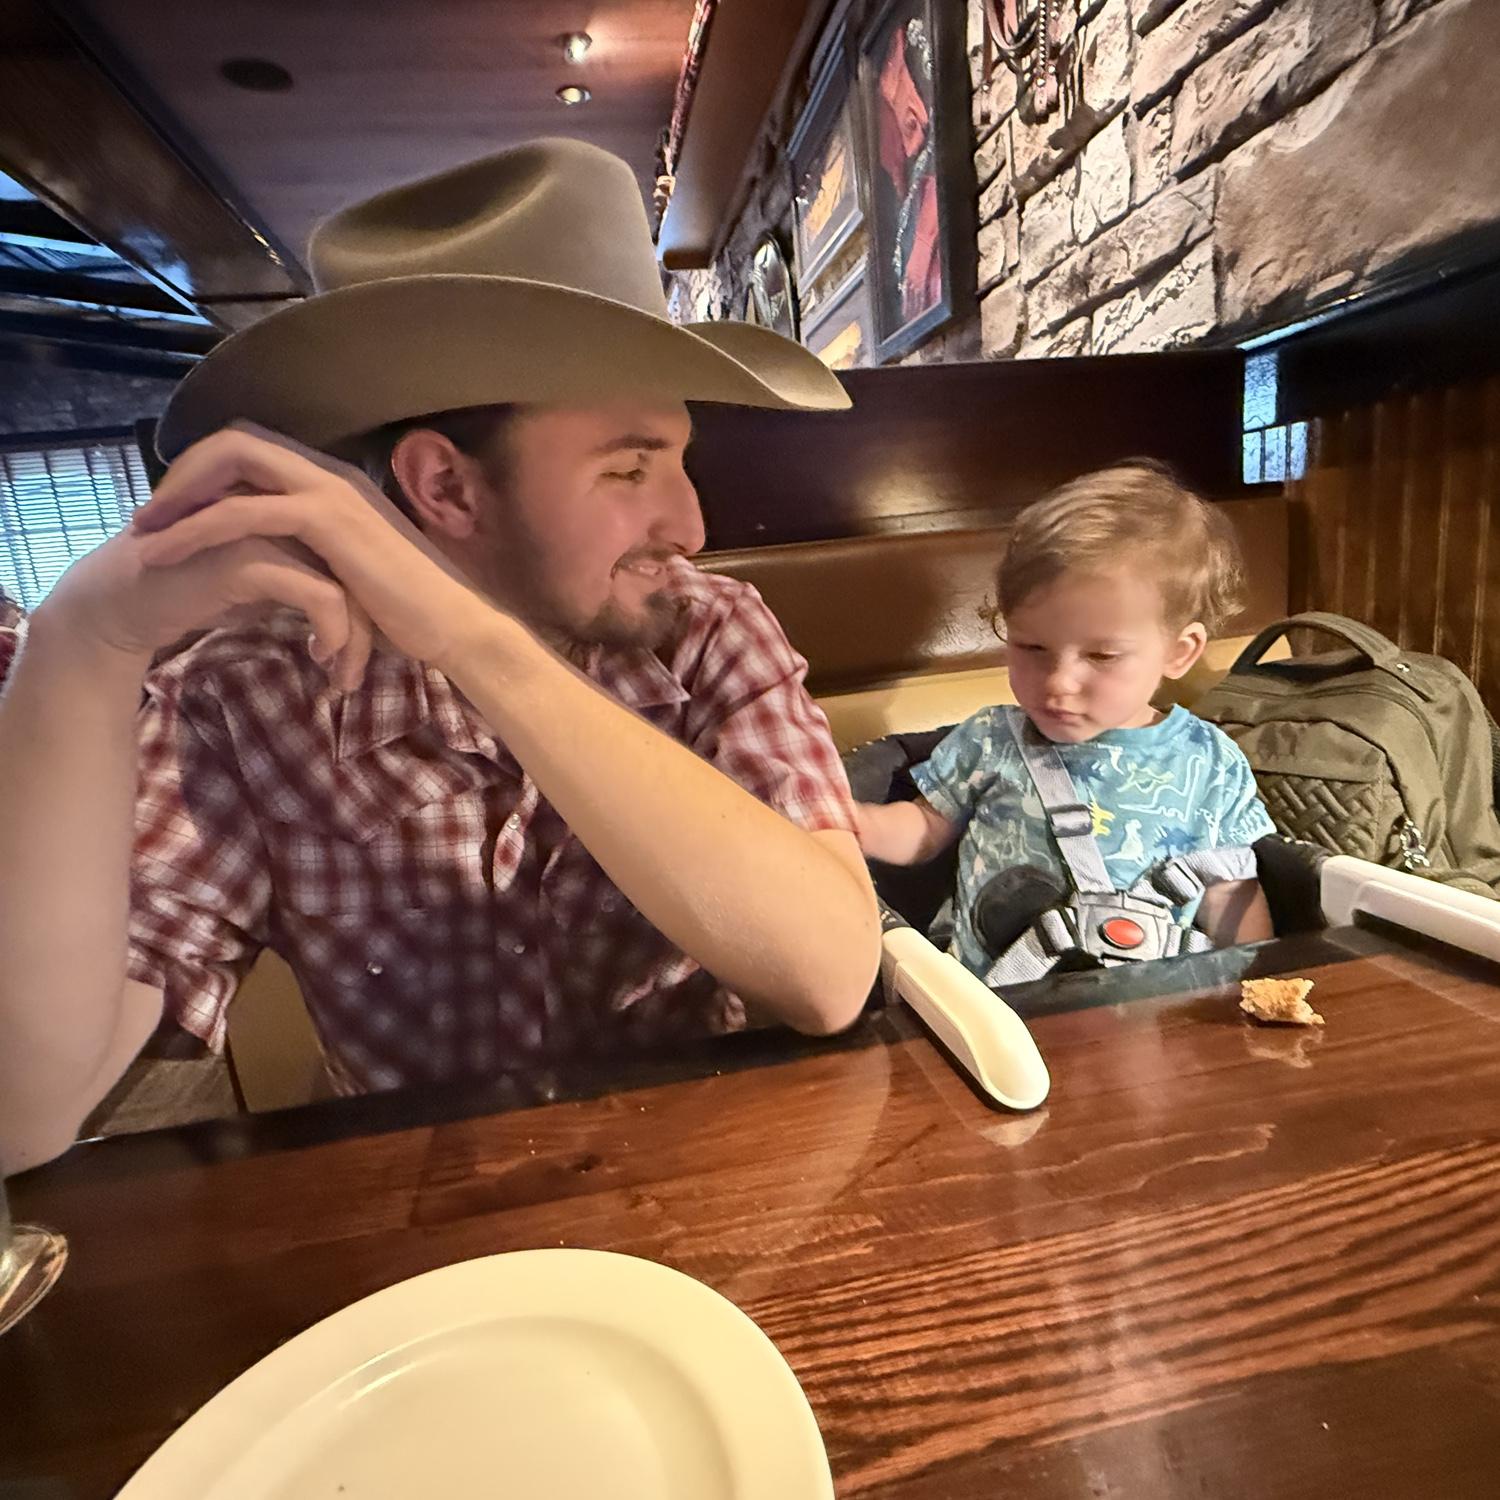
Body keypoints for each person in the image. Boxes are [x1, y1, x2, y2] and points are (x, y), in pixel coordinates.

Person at [0, 140, 881, 1173]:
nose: (688, 522)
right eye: (630, 469)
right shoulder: (250, 696)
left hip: (711, 1177)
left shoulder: (710, 630)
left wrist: (473, 645)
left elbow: (830, 974)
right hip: (421, 1236)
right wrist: (77, 650)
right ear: (447, 489)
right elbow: (23, 1114)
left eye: (678, 460)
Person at [854, 463, 1275, 977]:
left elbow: (1231, 892)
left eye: (1101, 656)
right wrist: (856, 824)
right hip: (998, 1005)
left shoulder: (1210, 762)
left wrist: (1255, 979)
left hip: (1153, 1015)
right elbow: (923, 830)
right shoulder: (992, 739)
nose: (1058, 682)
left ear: (1178, 652)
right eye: (1032, 647)